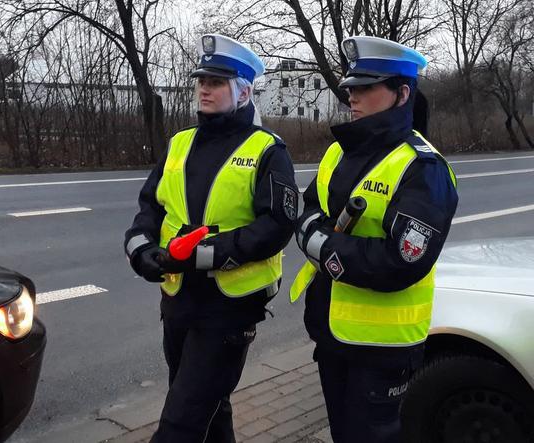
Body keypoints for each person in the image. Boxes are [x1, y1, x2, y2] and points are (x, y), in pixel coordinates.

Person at [124, 34, 298, 443]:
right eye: (202, 80)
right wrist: (142, 251)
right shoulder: (179, 143)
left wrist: (205, 255)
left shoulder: (268, 150)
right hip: (178, 300)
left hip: (230, 307)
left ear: (243, 90)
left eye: (217, 82)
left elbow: (276, 226)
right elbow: (150, 208)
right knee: (208, 408)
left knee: (181, 422)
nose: (204, 87)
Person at [290, 36, 458, 443]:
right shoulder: (338, 151)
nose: (352, 95)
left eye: (366, 87)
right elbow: (307, 210)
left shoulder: (424, 168)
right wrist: (314, 233)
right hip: (331, 337)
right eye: (351, 86)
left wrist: (322, 246)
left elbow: (401, 261)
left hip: (383, 351)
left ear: (402, 94)